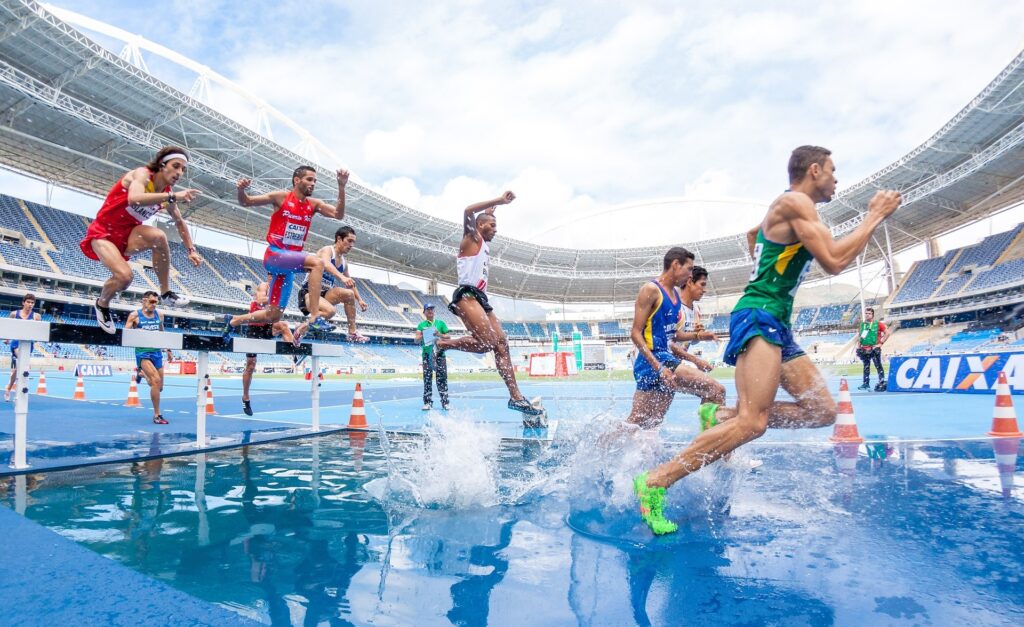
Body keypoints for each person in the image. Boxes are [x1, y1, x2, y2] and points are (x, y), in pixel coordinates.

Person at [633, 145, 902, 535]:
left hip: (776, 320)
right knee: (754, 423)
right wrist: (874, 215)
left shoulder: (791, 211)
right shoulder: (795, 202)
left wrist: (768, 265)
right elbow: (834, 261)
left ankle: (721, 416)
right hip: (760, 316)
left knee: (821, 411)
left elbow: (753, 234)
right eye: (832, 171)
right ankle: (655, 482)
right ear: (813, 171)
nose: (836, 179)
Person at [434, 191, 544, 419]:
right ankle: (444, 344)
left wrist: (490, 212)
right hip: (467, 295)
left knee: (502, 344)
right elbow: (467, 211)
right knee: (487, 344)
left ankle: (515, 397)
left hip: (482, 298)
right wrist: (498, 201)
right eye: (491, 225)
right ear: (480, 226)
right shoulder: (472, 238)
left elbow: (481, 216)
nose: (496, 229)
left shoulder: (482, 242)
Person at [80, 146, 203, 334]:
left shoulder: (167, 194)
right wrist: (172, 196)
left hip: (128, 235)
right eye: (176, 166)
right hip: (103, 233)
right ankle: (102, 304)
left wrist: (191, 250)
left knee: (159, 237)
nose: (179, 173)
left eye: (183, 169)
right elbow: (134, 199)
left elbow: (179, 222)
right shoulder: (142, 174)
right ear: (162, 165)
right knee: (124, 277)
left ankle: (165, 292)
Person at [220, 166, 350, 339]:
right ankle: (314, 316)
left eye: (315, 181)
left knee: (273, 315)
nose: (313, 184)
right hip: (275, 255)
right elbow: (246, 202)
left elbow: (338, 215)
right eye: (309, 179)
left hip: (288, 265)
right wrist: (241, 190)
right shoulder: (280, 197)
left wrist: (341, 186)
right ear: (297, 180)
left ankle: (234, 321)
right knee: (317, 262)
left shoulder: (313, 205)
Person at [624, 250, 725, 430]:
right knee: (716, 390)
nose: (689, 274)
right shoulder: (651, 289)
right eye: (689, 269)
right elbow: (635, 333)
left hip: (664, 360)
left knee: (643, 424)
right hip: (655, 360)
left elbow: (674, 336)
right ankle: (714, 450)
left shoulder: (675, 296)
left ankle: (598, 447)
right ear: (676, 265)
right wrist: (660, 367)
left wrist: (698, 336)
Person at [296, 226, 370, 343]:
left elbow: (350, 282)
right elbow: (325, 263)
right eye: (349, 241)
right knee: (330, 311)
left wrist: (359, 300)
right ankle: (301, 329)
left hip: (325, 295)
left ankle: (352, 332)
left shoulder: (344, 263)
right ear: (339, 239)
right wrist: (341, 277)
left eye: (353, 242)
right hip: (309, 293)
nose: (352, 245)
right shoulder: (327, 250)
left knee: (349, 294)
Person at [241, 279, 296, 416]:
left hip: (266, 327)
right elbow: (260, 300)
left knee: (283, 325)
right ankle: (245, 397)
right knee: (251, 366)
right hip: (254, 329)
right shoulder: (264, 286)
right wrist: (277, 299)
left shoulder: (279, 289)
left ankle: (294, 352)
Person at [125, 291, 170, 424]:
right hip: (143, 353)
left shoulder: (159, 315)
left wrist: (168, 349)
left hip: (156, 352)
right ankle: (157, 415)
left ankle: (141, 374)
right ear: (144, 301)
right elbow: (125, 333)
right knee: (155, 381)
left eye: (156, 302)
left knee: (159, 386)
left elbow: (162, 332)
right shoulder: (134, 315)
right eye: (151, 302)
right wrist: (138, 331)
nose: (154, 304)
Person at [4, 293, 41, 402]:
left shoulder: (36, 316)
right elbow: (7, 327)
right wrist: (7, 338)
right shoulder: (14, 314)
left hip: (28, 344)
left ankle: (9, 387)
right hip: (16, 343)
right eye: (28, 302)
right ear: (23, 303)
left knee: (20, 367)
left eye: (32, 303)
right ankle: (17, 393)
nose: (30, 304)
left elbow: (38, 331)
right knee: (22, 364)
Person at [416, 303, 450, 411]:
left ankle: (445, 402)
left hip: (440, 354)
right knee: (427, 379)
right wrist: (423, 335)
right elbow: (416, 339)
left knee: (442, 379)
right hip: (427, 355)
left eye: (432, 309)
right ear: (424, 312)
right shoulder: (421, 325)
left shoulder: (440, 323)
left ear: (434, 311)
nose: (430, 311)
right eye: (428, 309)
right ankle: (427, 402)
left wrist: (439, 334)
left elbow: (448, 336)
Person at [856, 307, 888, 391]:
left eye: (869, 313)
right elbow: (860, 336)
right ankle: (866, 384)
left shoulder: (878, 324)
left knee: (878, 365)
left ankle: (881, 382)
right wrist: (859, 347)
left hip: (874, 348)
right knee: (866, 366)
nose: (867, 315)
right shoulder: (862, 324)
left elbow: (887, 333)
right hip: (864, 349)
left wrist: (880, 343)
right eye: (866, 313)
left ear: (872, 315)